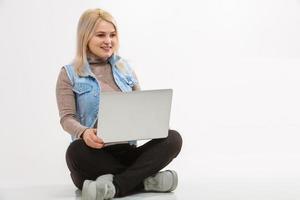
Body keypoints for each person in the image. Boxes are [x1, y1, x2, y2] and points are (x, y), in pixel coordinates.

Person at [56, 8, 182, 200]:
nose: (108, 41)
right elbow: (67, 118)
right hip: (94, 154)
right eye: (101, 35)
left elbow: (142, 108)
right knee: (75, 152)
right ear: (85, 37)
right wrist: (84, 132)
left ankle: (112, 186)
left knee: (173, 138)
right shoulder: (69, 74)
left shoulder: (125, 69)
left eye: (112, 35)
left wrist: (155, 125)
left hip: (127, 152)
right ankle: (145, 180)